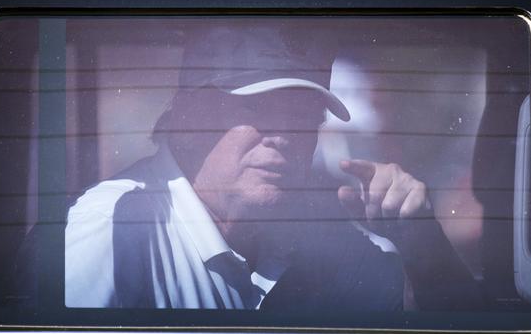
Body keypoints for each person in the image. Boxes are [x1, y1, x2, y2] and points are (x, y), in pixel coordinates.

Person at [65, 23, 480, 311]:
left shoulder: (337, 240)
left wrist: (424, 249)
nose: (284, 136)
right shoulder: (112, 232)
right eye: (256, 109)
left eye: (303, 117)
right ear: (191, 113)